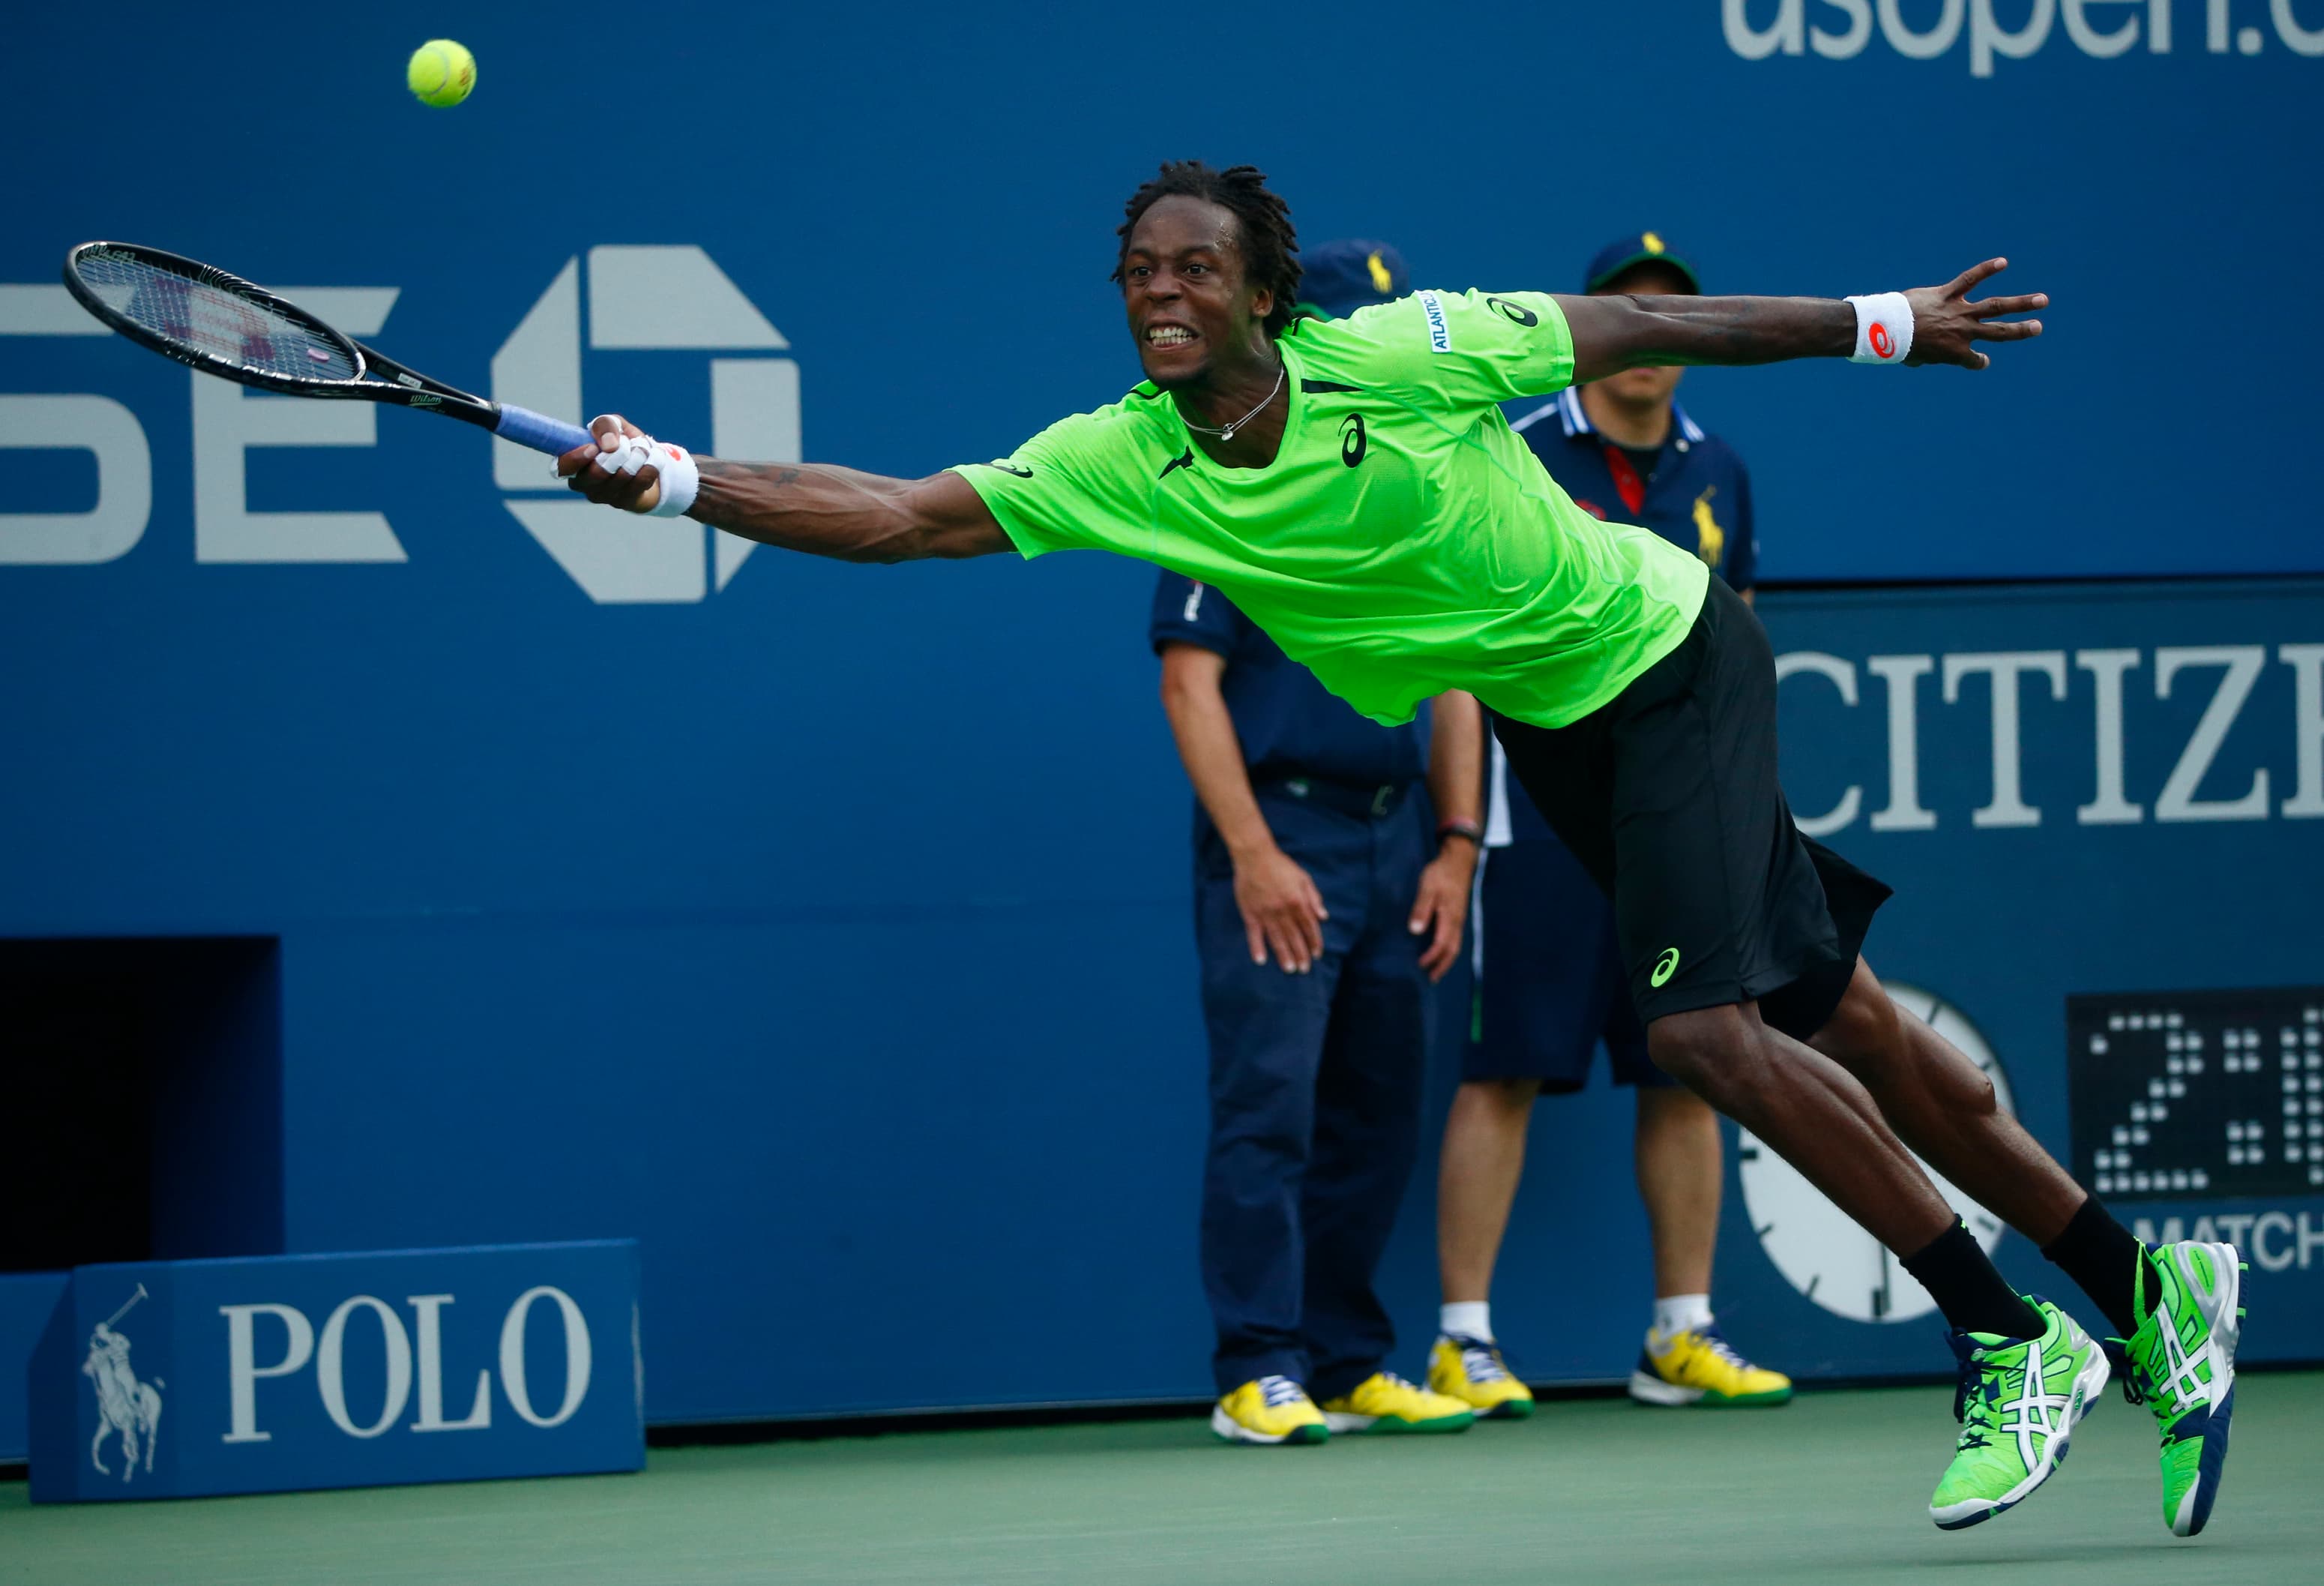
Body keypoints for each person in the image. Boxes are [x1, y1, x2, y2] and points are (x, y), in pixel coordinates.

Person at [560, 161, 2242, 1539]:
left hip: (1664, 658)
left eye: (1197, 269)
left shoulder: (1410, 351)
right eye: (1140, 268)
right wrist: (683, 484)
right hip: (1552, 720)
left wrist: (1874, 324)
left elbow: (1642, 322)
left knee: (1701, 1034)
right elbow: (902, 514)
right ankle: (2136, 1278)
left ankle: (2003, 1333)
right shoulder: (1119, 459)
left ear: (1262, 293)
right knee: (1846, 1019)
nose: (1161, 291)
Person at [1429, 234, 1788, 1422]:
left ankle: (1682, 1332)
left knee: (1691, 1064)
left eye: (1672, 314)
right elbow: (1460, 648)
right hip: (1539, 815)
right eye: (1630, 312)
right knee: (1510, 1068)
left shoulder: (1723, 470)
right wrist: (1465, 825)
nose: (1651, 334)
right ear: (1595, 329)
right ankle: (1463, 1341)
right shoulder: (1516, 450)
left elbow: (1732, 639)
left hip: (1674, 820)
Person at [1155, 237, 1485, 1445]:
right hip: (1278, 835)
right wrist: (1251, 851)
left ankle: (1348, 1361)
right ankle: (1258, 1366)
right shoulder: (1223, 484)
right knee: (1272, 1112)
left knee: (1376, 1115)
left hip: (1399, 843)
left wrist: (1457, 843)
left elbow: (1456, 682)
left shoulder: (1414, 503)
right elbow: (1191, 690)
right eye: (1350, 340)